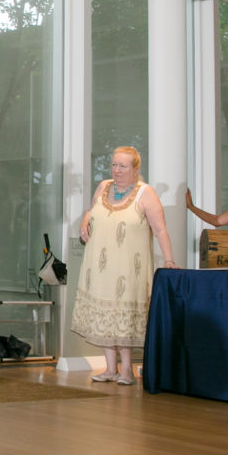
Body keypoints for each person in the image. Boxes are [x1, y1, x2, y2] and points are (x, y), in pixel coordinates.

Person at [71, 146, 178, 386]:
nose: (117, 171)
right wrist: (86, 219)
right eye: (114, 165)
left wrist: (169, 259)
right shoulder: (103, 187)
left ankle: (127, 369)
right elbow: (92, 210)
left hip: (130, 266)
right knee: (105, 313)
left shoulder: (145, 193)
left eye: (123, 166)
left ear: (135, 169)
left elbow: (160, 230)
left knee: (124, 313)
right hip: (100, 264)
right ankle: (110, 368)